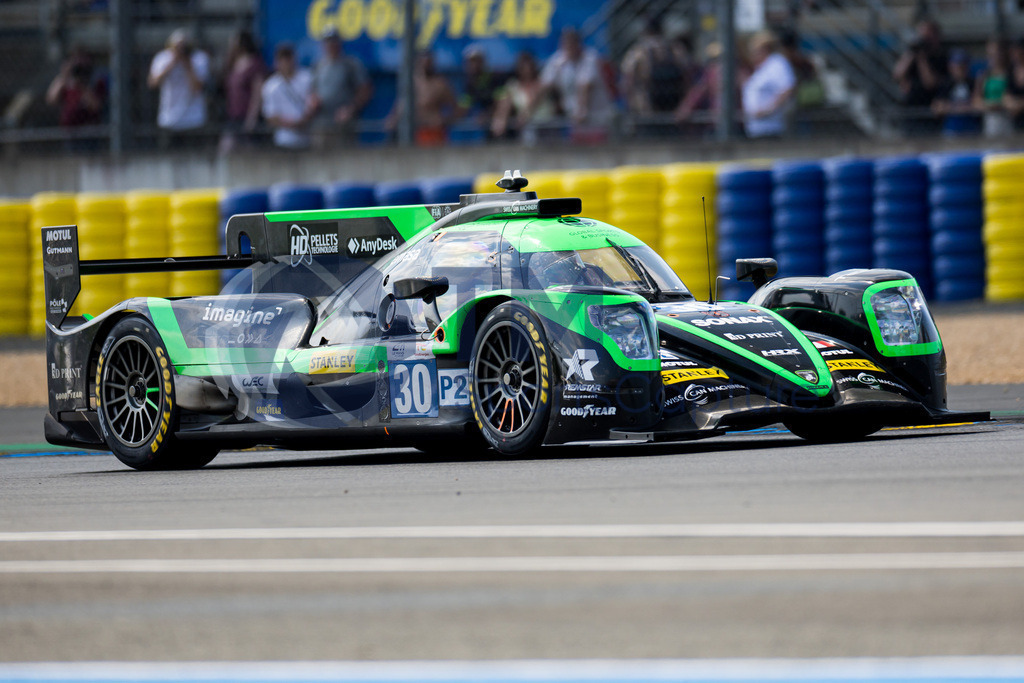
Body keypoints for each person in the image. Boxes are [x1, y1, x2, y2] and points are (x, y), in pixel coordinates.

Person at [538, 27, 616, 142]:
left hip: (598, 121)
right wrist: (526, 113)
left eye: (572, 43)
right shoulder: (558, 61)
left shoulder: (590, 58)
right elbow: (543, 86)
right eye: (565, 44)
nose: (569, 48)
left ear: (578, 44)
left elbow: (584, 86)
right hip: (576, 124)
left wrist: (581, 110)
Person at [311, 29, 372, 148]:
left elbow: (365, 90)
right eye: (328, 42)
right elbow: (313, 90)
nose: (331, 45)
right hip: (322, 123)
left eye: (334, 41)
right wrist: (313, 101)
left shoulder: (351, 64)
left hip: (343, 125)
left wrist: (350, 109)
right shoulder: (318, 65)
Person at [148, 28, 210, 141]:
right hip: (169, 118)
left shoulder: (198, 59)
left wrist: (187, 65)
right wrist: (172, 63)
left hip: (193, 119)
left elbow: (197, 87)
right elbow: (153, 83)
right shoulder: (163, 58)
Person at [620, 17, 689, 115]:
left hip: (646, 106)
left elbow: (628, 79)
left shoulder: (638, 51)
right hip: (675, 105)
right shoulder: (675, 48)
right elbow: (687, 75)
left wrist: (631, 103)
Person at [386, 51, 458, 146]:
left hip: (432, 133)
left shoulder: (440, 84)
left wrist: (445, 120)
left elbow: (457, 108)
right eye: (423, 62)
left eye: (428, 62)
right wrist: (393, 119)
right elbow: (401, 104)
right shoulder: (411, 83)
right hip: (413, 132)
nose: (425, 65)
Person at [892, 18, 948, 133]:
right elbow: (897, 75)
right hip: (911, 110)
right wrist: (911, 53)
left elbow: (930, 83)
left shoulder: (941, 57)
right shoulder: (912, 55)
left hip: (929, 111)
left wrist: (922, 58)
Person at [490, 51, 558, 143]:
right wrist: (500, 119)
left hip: (547, 126)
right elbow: (505, 104)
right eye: (523, 67)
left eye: (529, 66)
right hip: (528, 129)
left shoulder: (543, 82)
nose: (527, 70)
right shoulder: (513, 86)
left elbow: (537, 99)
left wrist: (525, 115)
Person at [741, 31, 796, 138]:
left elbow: (788, 88)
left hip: (770, 128)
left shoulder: (777, 63)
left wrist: (769, 110)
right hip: (755, 128)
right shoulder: (761, 68)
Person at [261, 43, 316, 149]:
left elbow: (314, 101)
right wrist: (292, 124)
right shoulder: (271, 86)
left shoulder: (307, 78)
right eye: (282, 59)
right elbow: (270, 115)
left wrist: (305, 119)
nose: (286, 63)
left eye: (288, 58)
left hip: (307, 138)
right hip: (283, 140)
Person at [219, 29, 265, 153]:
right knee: (226, 149)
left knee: (248, 151)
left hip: (247, 116)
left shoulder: (255, 64)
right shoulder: (233, 64)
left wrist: (252, 118)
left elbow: (257, 93)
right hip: (233, 115)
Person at [46, 47, 105, 138]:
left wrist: (82, 86)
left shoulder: (95, 80)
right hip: (68, 132)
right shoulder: (66, 80)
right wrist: (64, 76)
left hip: (89, 133)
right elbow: (51, 99)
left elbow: (95, 106)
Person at [932, 49, 980, 137]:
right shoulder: (946, 84)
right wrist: (961, 108)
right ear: (951, 67)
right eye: (957, 65)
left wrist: (951, 107)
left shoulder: (973, 83)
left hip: (972, 129)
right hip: (951, 130)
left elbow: (978, 105)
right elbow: (937, 107)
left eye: (963, 65)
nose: (960, 69)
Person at [457, 45, 503, 134]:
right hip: (479, 129)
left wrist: (487, 115)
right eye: (470, 62)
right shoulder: (468, 84)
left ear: (483, 62)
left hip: (497, 127)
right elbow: (463, 107)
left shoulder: (494, 79)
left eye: (476, 61)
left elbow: (501, 102)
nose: (473, 65)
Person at [974, 38, 1012, 138]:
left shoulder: (1010, 74)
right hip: (990, 119)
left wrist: (1001, 105)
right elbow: (976, 100)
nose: (993, 57)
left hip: (1009, 118)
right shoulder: (984, 75)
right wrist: (988, 105)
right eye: (990, 54)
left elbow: (1011, 99)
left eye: (996, 53)